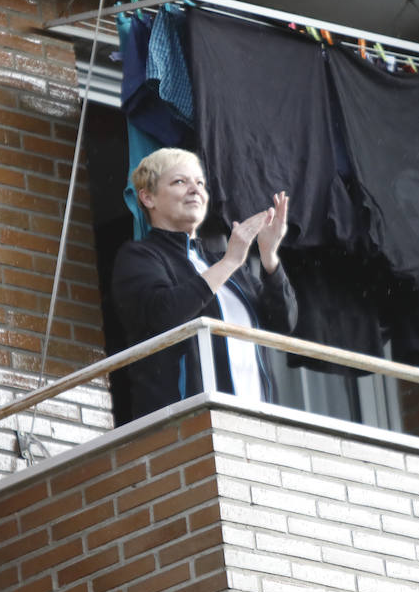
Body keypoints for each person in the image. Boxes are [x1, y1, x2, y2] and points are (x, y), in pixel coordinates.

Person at [111, 148, 297, 419]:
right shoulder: (140, 256)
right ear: (147, 197)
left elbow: (284, 322)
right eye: (179, 182)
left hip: (259, 421)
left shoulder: (223, 261)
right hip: (189, 425)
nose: (195, 190)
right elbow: (163, 314)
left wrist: (268, 256)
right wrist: (231, 261)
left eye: (199, 183)